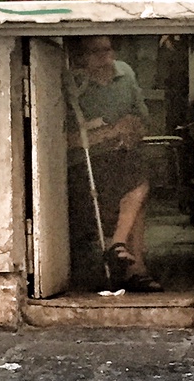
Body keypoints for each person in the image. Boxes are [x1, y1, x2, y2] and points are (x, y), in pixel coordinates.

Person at [65, 36, 161, 293]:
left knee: (137, 171)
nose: (105, 58)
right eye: (96, 52)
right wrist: (111, 131)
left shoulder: (125, 73)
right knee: (138, 185)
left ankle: (119, 248)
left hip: (124, 155)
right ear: (81, 58)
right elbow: (63, 140)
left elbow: (143, 118)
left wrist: (132, 128)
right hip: (86, 162)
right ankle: (135, 267)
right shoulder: (73, 85)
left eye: (108, 50)